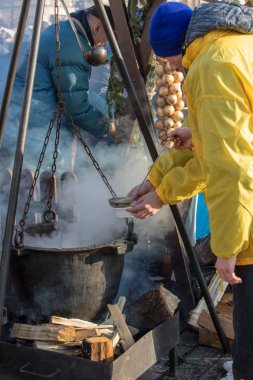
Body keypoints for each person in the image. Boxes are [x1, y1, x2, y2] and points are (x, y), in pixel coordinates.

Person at [127, 2, 253, 380]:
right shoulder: (234, 47)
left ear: (180, 45)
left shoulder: (211, 69)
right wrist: (156, 180)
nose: (168, 68)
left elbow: (228, 166)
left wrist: (228, 247)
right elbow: (228, 139)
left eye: (167, 59)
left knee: (250, 310)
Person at [0, 5, 115, 170]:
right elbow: (76, 108)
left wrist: (110, 112)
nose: (102, 45)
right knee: (47, 178)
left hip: (22, 121)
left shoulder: (66, 31)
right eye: (105, 40)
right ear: (97, 27)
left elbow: (81, 92)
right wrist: (107, 127)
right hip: (33, 129)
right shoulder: (71, 44)